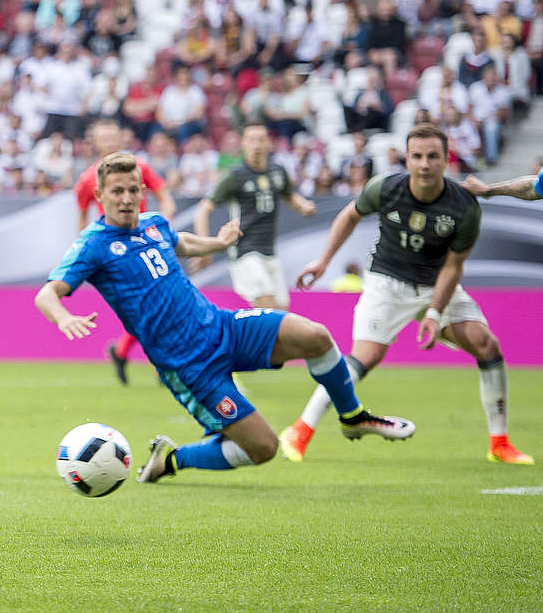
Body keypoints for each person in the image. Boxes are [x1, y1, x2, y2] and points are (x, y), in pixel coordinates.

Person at [35, 152, 414, 484]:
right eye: (117, 191)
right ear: (100, 196)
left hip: (223, 327)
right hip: (189, 368)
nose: (127, 198)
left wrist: (218, 243)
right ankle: (173, 458)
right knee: (263, 448)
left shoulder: (153, 223)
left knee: (315, 335)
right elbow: (46, 294)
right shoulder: (92, 244)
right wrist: (63, 316)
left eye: (133, 189)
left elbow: (178, 240)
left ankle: (351, 416)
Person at [282, 125, 532, 465]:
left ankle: (500, 444)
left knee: (487, 345)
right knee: (365, 358)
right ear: (407, 159)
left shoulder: (465, 207)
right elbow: (349, 215)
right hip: (387, 281)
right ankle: (300, 429)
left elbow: (453, 265)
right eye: (417, 156)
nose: (424, 164)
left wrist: (433, 312)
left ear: (447, 160)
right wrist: (324, 261)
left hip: (434, 284)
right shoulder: (385, 188)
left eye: (433, 156)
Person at [72, 119, 177, 384]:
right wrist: (85, 254)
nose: (108, 141)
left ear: (121, 139)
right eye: (102, 136)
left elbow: (165, 197)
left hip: (145, 244)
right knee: (150, 304)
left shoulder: (140, 168)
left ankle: (125, 353)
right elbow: (82, 219)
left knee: (152, 304)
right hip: (115, 251)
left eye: (112, 135)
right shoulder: (87, 179)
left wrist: (162, 224)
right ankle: (158, 364)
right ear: (94, 142)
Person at [194, 123, 317, 310]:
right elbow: (203, 209)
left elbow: (289, 195)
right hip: (245, 251)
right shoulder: (235, 176)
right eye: (252, 140)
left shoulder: (278, 172)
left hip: (270, 251)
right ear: (243, 144)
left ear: (269, 143)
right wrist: (204, 248)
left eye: (261, 139)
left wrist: (303, 206)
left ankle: (252, 339)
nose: (257, 145)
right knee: (266, 301)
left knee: (281, 312)